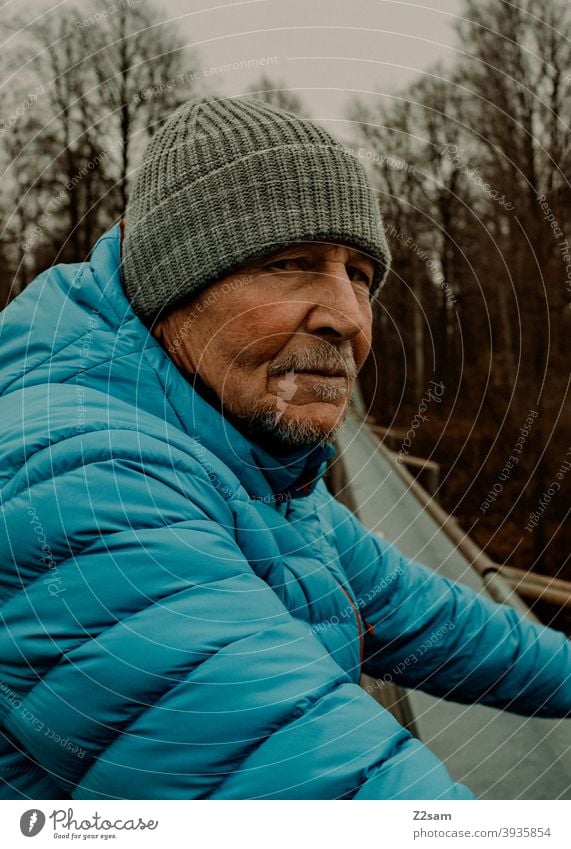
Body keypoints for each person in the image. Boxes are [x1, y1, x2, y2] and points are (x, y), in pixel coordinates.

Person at [0, 95, 569, 801]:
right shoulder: (79, 478)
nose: (347, 318)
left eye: (358, 274)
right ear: (170, 287)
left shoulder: (247, 463)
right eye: (291, 262)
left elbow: (431, 618)